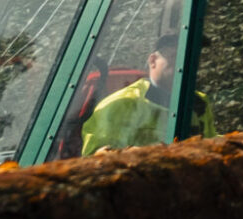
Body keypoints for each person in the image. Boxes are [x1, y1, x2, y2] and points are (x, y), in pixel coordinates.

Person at [81, 33, 215, 153]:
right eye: (175, 57)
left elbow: (210, 144)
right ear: (153, 61)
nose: (185, 64)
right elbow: (96, 157)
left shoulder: (199, 103)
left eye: (192, 58)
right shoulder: (122, 104)